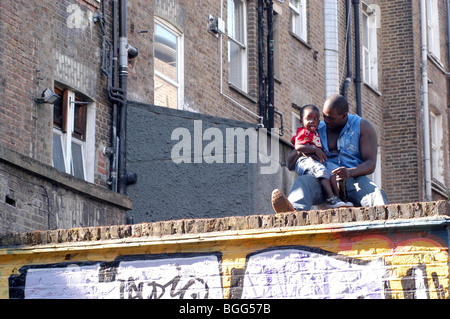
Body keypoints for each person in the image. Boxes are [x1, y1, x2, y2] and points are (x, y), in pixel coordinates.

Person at [272, 94, 388, 213]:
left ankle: (385, 223)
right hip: (323, 181)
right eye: (324, 117)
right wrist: (304, 148)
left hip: (352, 179)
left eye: (331, 118)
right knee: (303, 182)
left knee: (376, 194)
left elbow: (370, 164)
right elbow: (290, 164)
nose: (326, 121)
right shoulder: (317, 128)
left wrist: (349, 172)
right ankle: (291, 213)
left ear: (344, 116)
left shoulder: (363, 127)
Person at [292, 104, 352, 208]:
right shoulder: (304, 132)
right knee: (322, 171)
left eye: (315, 119)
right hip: (305, 160)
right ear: (301, 121)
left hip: (319, 161)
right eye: (308, 119)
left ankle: (338, 198)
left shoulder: (315, 133)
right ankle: (330, 197)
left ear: (319, 122)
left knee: (334, 171)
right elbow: (298, 146)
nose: (312, 121)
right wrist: (314, 150)